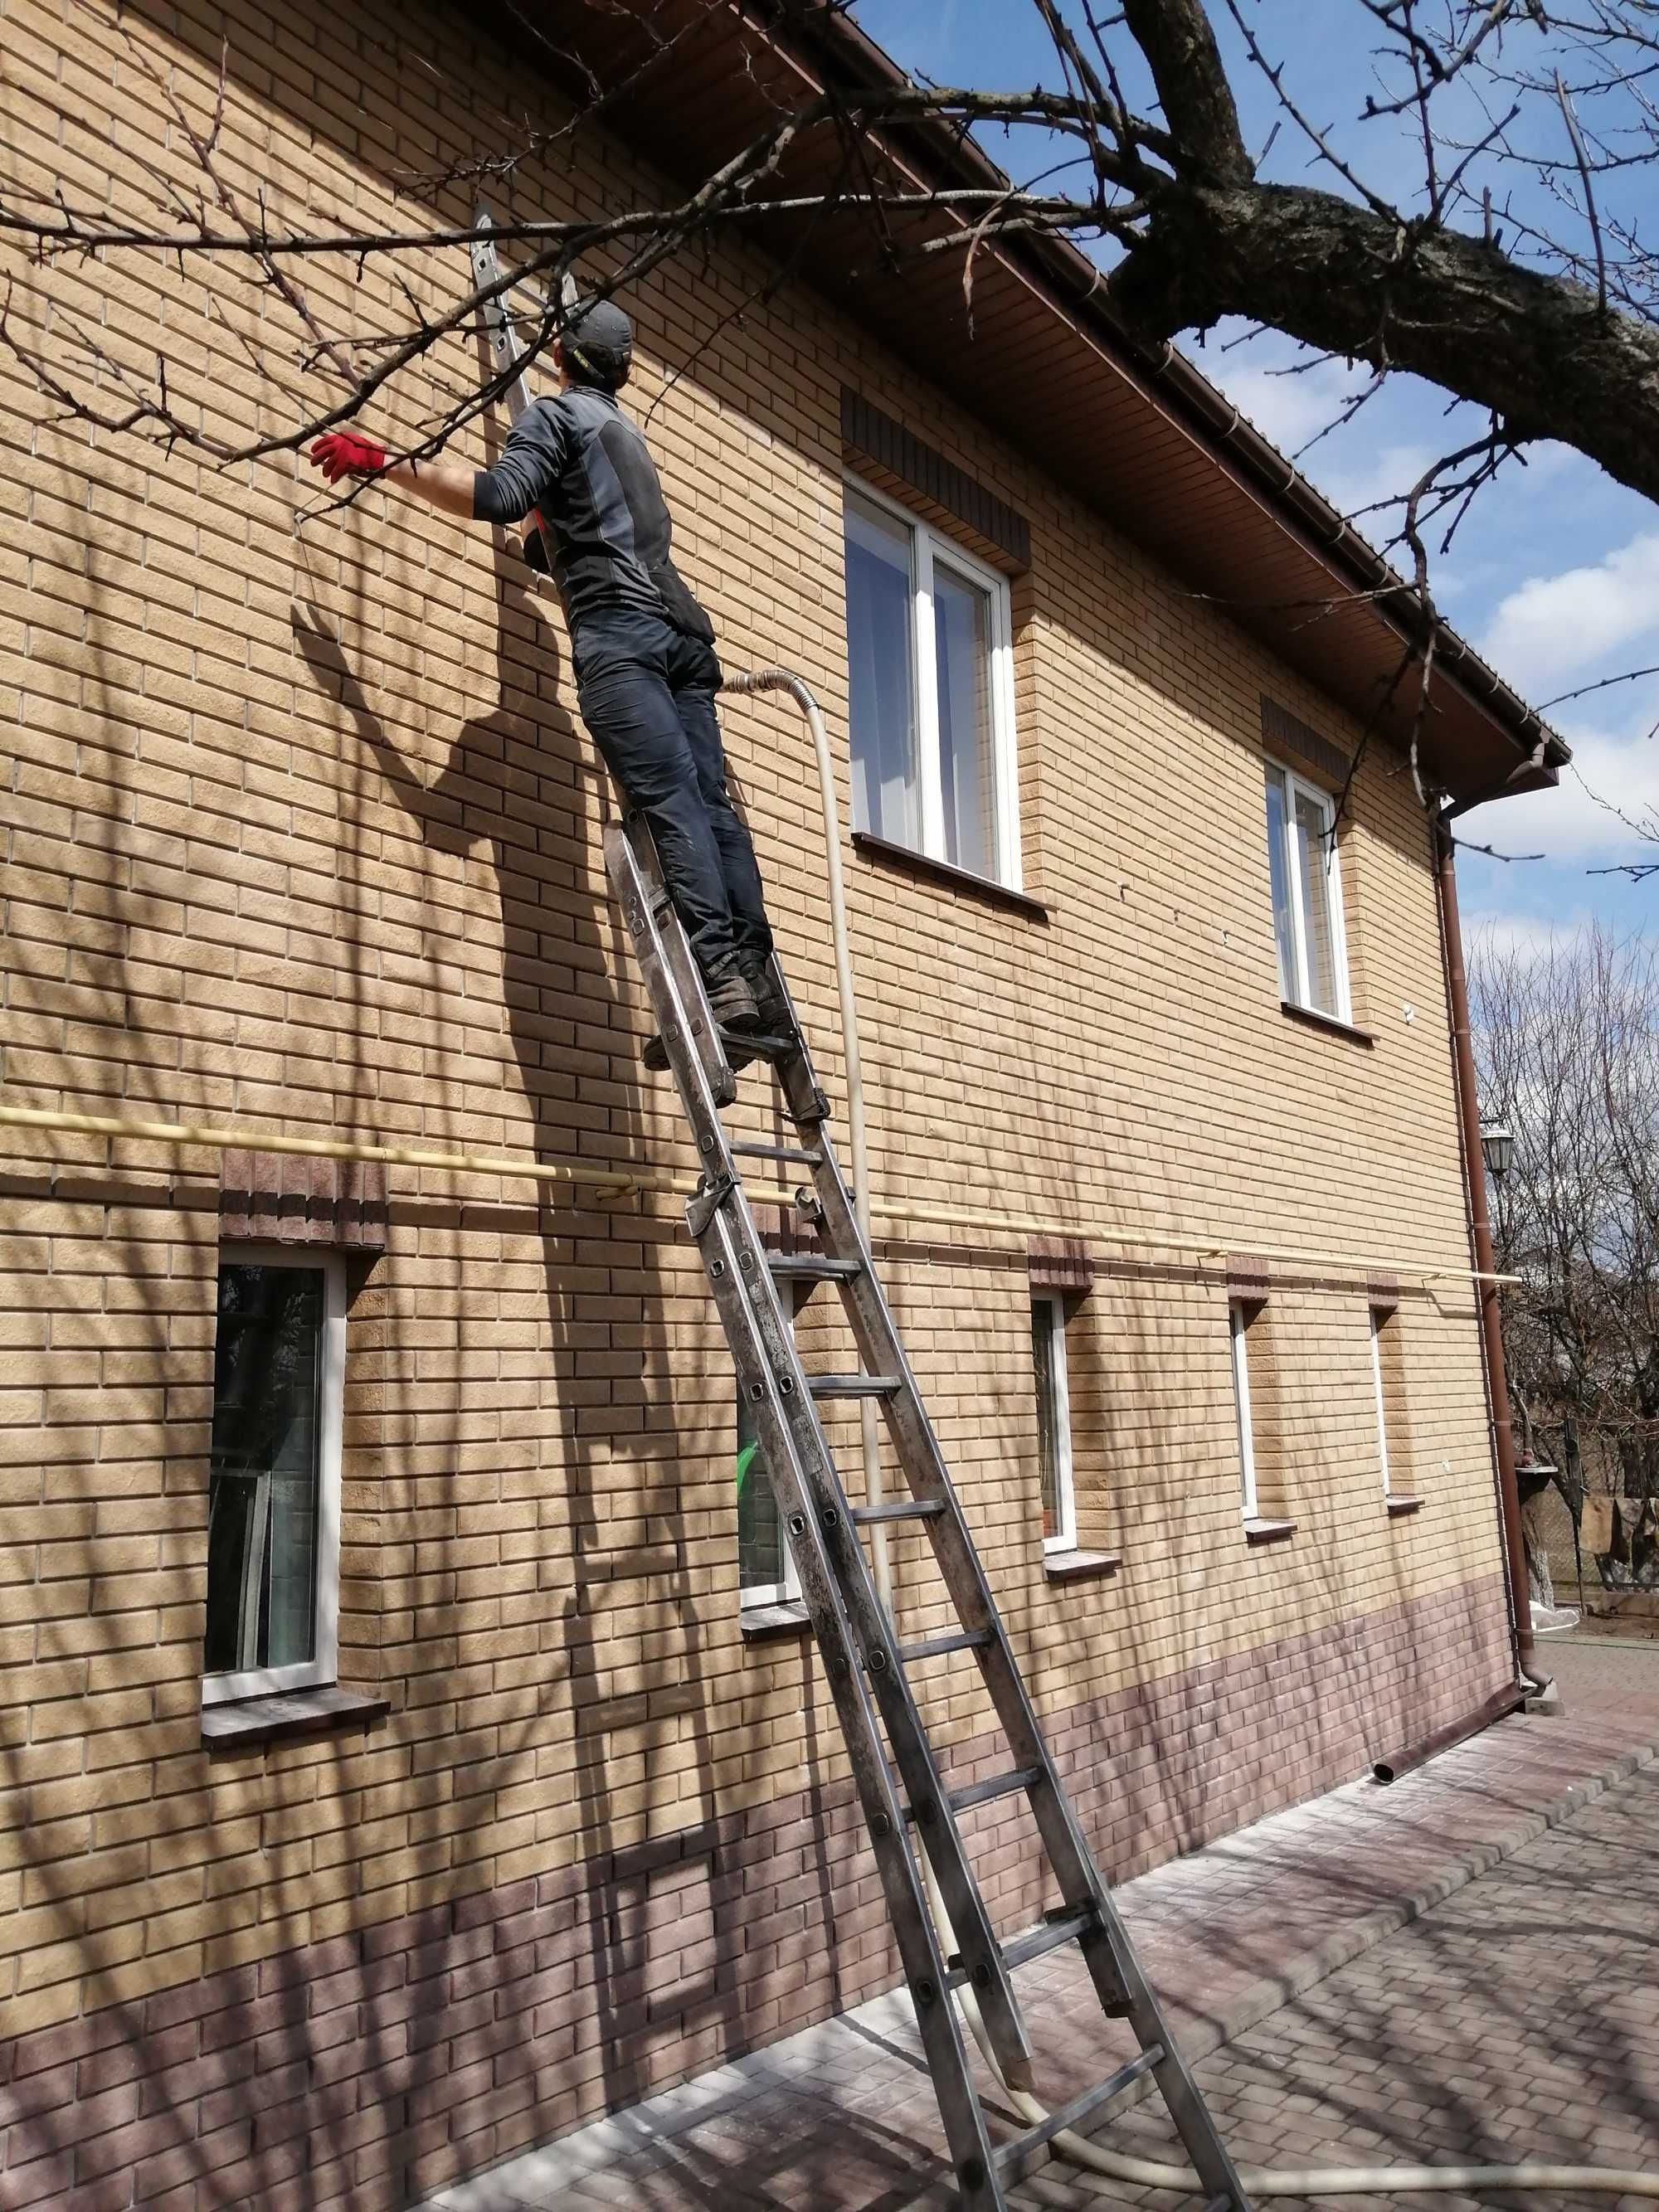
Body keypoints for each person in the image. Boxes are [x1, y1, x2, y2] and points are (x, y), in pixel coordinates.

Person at [308, 298, 783, 1065]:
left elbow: (498, 497)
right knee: (711, 804)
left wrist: (382, 462)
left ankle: (721, 983)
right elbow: (588, 533)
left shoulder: (557, 419)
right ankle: (754, 980)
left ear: (560, 357)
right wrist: (547, 545)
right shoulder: (625, 434)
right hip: (684, 634)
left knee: (670, 804)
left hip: (624, 636)